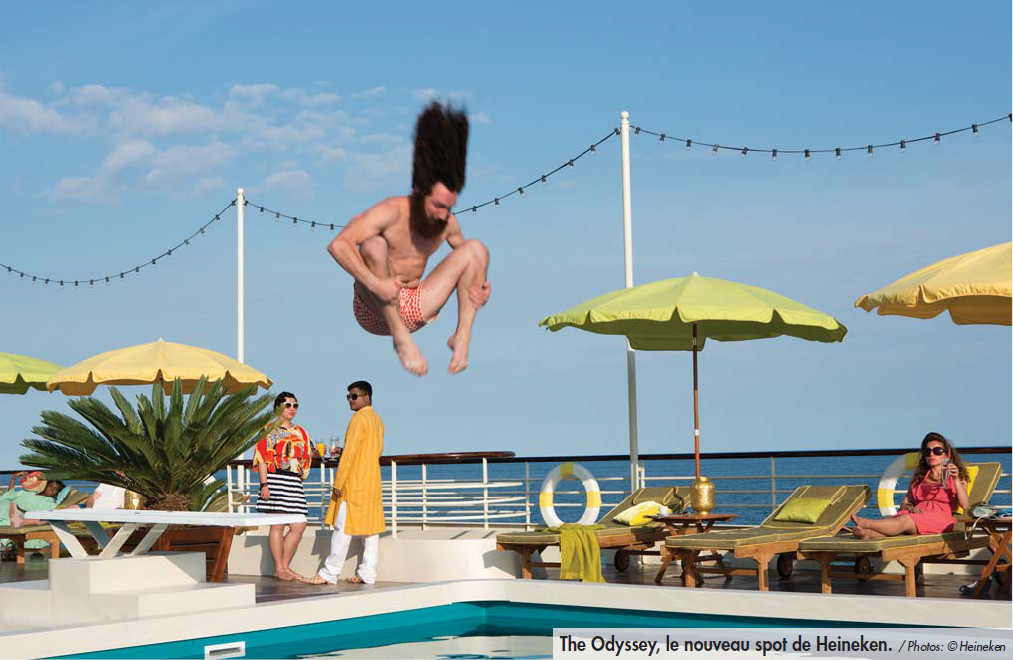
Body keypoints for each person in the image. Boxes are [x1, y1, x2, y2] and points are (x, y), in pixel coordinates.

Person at [328, 101, 491, 376]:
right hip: (373, 308)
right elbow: (338, 245)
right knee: (373, 243)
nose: (444, 215)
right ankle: (400, 338)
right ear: (419, 192)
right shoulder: (390, 212)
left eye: (449, 208)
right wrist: (376, 284)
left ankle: (461, 338)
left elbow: (469, 260)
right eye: (438, 206)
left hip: (416, 305)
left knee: (476, 249)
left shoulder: (447, 222)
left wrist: (482, 284)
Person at [304, 381, 385, 585]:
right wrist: (344, 449)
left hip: (355, 483)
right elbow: (374, 450)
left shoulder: (359, 419)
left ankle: (329, 573)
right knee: (370, 530)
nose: (350, 400)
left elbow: (350, 457)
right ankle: (368, 572)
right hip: (372, 481)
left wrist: (338, 484)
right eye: (348, 396)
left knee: (343, 528)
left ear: (366, 397)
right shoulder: (377, 420)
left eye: (354, 396)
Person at [851, 432, 970, 539]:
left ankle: (867, 523)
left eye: (937, 451)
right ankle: (867, 534)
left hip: (940, 519)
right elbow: (904, 503)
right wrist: (911, 508)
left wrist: (955, 479)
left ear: (946, 455)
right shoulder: (919, 478)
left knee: (905, 521)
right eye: (928, 451)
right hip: (917, 515)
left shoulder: (956, 476)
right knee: (900, 521)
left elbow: (965, 505)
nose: (932, 454)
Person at [253, 391, 315, 581]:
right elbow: (262, 458)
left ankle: (284, 566)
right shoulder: (270, 429)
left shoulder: (301, 431)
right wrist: (264, 484)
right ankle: (279, 568)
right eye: (288, 405)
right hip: (275, 478)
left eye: (295, 405)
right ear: (279, 407)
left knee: (299, 524)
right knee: (277, 525)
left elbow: (308, 453)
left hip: (294, 481)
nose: (292, 409)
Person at [1, 471, 66, 527]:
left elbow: (35, 514)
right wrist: (13, 478)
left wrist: (19, 509)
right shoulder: (29, 492)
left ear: (57, 493)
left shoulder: (50, 503)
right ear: (45, 485)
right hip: (6, 509)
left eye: (56, 490)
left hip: (12, 517)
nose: (52, 490)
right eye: (51, 486)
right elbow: (10, 494)